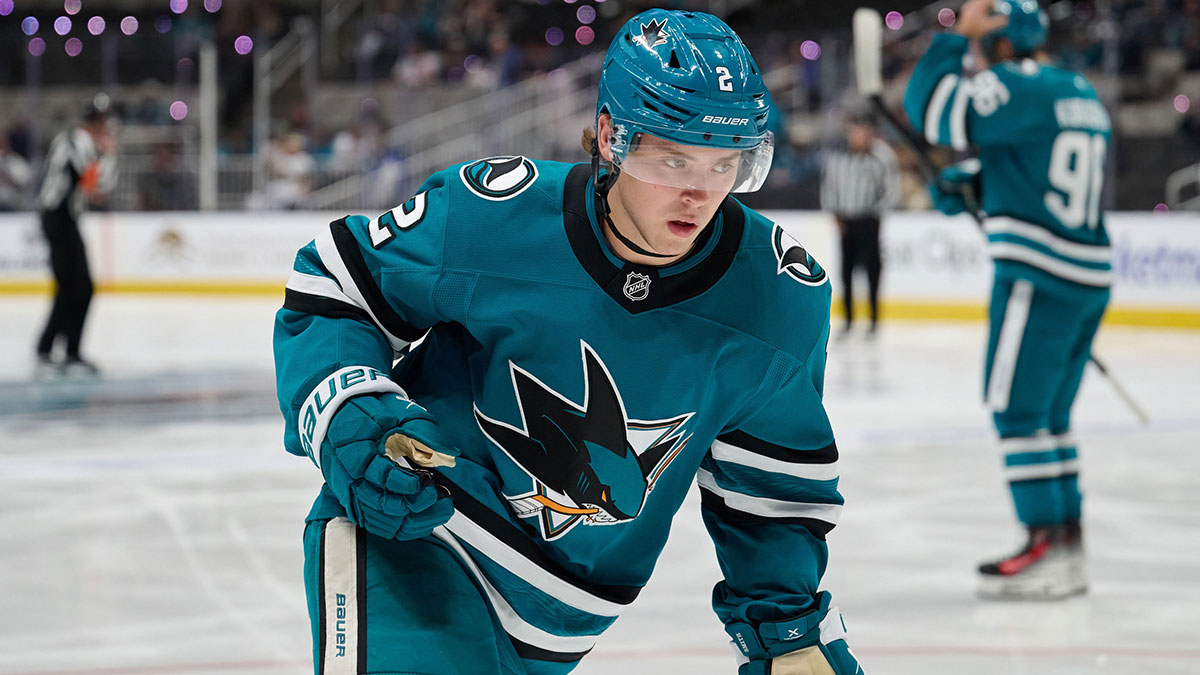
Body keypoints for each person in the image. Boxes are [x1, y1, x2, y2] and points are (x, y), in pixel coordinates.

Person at [274, 10, 863, 675]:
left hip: (564, 613)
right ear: (611, 137)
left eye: (726, 163)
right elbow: (335, 285)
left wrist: (786, 631)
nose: (699, 193)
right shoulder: (493, 216)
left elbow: (770, 492)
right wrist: (354, 414)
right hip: (417, 528)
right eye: (674, 157)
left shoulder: (776, 301)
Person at [904, 0, 1112, 600]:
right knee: (1049, 417)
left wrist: (954, 38)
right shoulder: (1076, 88)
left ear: (999, 38)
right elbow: (1035, 163)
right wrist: (975, 182)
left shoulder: (1008, 82)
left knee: (1016, 411)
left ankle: (1046, 546)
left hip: (1038, 275)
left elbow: (933, 112)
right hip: (1086, 274)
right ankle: (1067, 545)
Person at [35, 93, 117, 377]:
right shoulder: (78, 142)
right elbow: (95, 186)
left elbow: (96, 189)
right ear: (99, 121)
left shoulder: (77, 141)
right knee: (79, 286)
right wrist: (108, 155)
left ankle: (51, 349)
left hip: (63, 219)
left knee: (73, 286)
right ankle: (64, 351)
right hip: (58, 218)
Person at [819, 113, 899, 337]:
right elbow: (829, 187)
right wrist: (834, 213)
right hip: (845, 221)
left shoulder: (881, 157)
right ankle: (849, 321)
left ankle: (873, 320)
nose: (859, 135)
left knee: (872, 271)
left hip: (869, 221)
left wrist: (876, 213)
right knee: (846, 272)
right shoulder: (837, 158)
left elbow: (891, 187)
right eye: (856, 130)